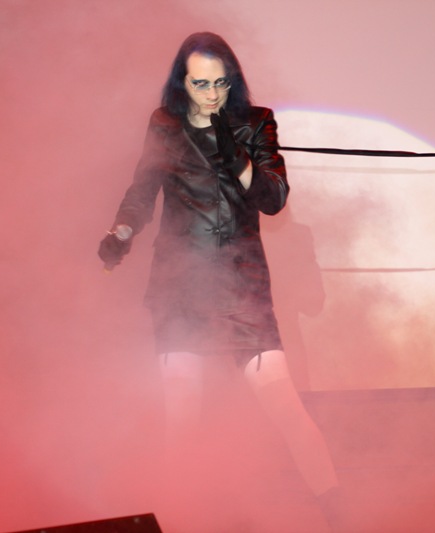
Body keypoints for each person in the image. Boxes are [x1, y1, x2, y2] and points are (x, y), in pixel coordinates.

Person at [98, 32, 343, 528]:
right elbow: (142, 191)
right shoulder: (164, 125)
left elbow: (273, 199)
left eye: (220, 83)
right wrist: (120, 232)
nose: (212, 94)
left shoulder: (256, 122)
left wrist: (237, 156)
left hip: (240, 289)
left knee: (285, 409)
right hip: (180, 289)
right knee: (181, 419)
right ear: (182, 84)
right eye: (200, 84)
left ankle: (341, 516)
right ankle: (179, 519)